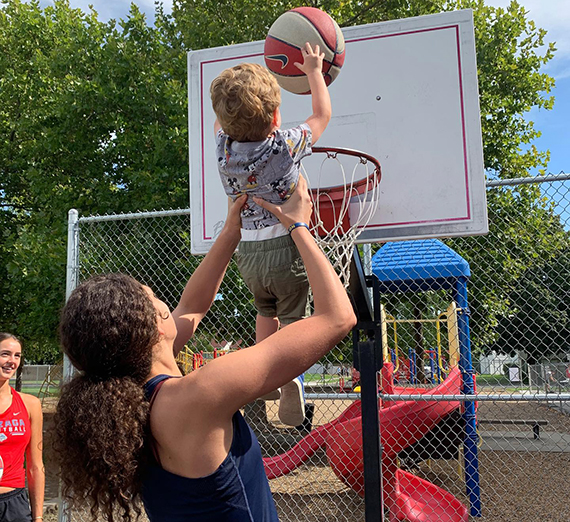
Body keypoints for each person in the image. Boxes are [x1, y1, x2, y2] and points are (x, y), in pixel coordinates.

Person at [53, 178, 355, 522]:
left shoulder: (132, 396)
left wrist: (231, 232)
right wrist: (298, 225)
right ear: (155, 327)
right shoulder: (198, 395)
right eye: (153, 297)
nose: (167, 303)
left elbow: (193, 306)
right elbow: (336, 318)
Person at [210, 43, 332, 426]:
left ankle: (261, 374)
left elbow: (221, 123)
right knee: (294, 319)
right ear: (276, 117)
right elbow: (321, 114)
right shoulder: (284, 145)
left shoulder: (222, 151)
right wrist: (314, 70)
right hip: (286, 246)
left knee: (265, 308)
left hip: (247, 254)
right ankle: (290, 377)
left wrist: (233, 99)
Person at [0, 333, 45, 522]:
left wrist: (39, 517)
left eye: (17, 355)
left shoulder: (30, 405)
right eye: (5, 354)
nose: (12, 361)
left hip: (14, 504)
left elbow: (35, 466)